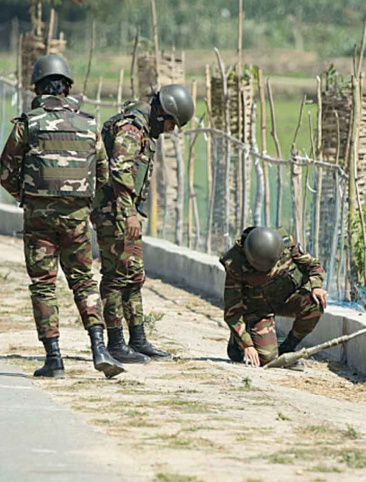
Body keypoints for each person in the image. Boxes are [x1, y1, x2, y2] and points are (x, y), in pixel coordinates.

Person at [0, 54, 124, 379]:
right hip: (77, 217)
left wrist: (28, 197)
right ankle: (99, 347)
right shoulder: (89, 124)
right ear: (67, 88)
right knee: (83, 280)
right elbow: (104, 175)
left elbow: (6, 172)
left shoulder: (29, 124)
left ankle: (54, 359)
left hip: (38, 218)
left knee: (43, 285)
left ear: (38, 88)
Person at [92, 84, 195, 363]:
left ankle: (137, 340)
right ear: (163, 112)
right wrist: (129, 213)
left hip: (122, 210)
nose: (172, 130)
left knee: (134, 275)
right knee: (115, 277)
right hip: (113, 211)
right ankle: (115, 343)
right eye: (173, 123)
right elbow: (119, 169)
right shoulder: (132, 127)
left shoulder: (143, 126)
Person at [220, 226, 328, 367]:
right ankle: (237, 341)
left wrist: (316, 286)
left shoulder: (286, 244)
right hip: (258, 309)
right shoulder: (235, 263)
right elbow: (232, 311)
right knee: (266, 359)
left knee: (315, 304)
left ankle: (287, 348)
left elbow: (313, 266)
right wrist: (247, 344)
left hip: (285, 298)